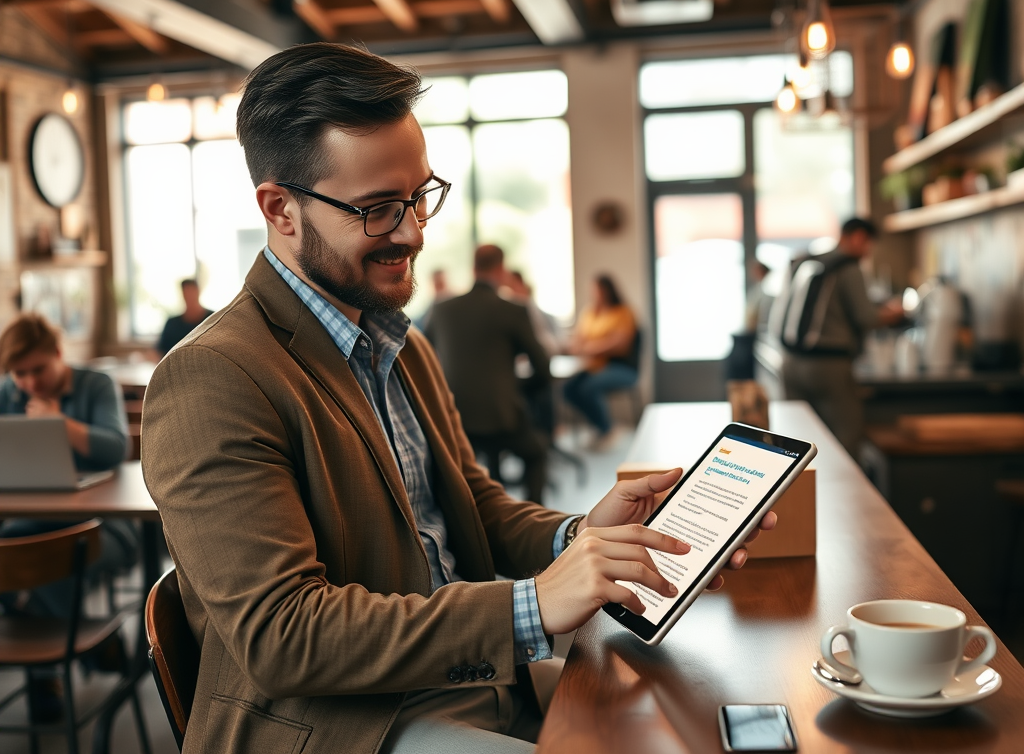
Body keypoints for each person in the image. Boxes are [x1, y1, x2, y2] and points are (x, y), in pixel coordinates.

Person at [140, 42, 773, 754]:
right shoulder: (212, 377)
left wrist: (585, 538)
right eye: (379, 209)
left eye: (419, 196)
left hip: (462, 681)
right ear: (280, 209)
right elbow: (284, 636)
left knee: (679, 721)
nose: (412, 232)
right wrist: (533, 604)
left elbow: (470, 503)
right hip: (341, 727)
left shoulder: (398, 342)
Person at [0, 313, 137, 718]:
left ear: (59, 354)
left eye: (38, 369)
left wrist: (59, 424)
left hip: (104, 527)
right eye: (18, 373)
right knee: (17, 553)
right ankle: (95, 644)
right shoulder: (8, 392)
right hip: (34, 522)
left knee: (32, 560)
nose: (29, 382)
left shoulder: (95, 385)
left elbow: (116, 448)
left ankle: (46, 680)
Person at [427, 245, 551, 504]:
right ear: (501, 271)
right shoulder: (512, 310)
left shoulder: (442, 309)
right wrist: (519, 387)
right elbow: (542, 366)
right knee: (537, 453)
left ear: (473, 269)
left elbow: (424, 356)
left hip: (455, 415)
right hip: (500, 415)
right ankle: (535, 519)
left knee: (475, 459)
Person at [772, 217, 903, 456]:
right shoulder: (849, 268)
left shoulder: (808, 262)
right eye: (867, 245)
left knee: (798, 440)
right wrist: (893, 314)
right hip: (827, 366)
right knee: (846, 436)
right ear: (857, 238)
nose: (866, 252)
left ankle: (803, 490)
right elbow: (866, 317)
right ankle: (848, 493)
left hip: (790, 362)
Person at [563, 274, 639, 451]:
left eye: (597, 289)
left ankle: (606, 429)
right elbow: (579, 339)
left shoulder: (623, 312)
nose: (594, 293)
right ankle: (600, 425)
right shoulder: (589, 313)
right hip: (593, 367)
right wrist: (575, 347)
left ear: (607, 290)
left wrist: (590, 349)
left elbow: (620, 344)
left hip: (620, 367)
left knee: (589, 387)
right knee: (568, 389)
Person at [155, 278, 212, 357]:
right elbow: (161, 352)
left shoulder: (213, 319)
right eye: (186, 293)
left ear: (198, 292)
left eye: (192, 292)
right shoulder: (172, 324)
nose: (189, 297)